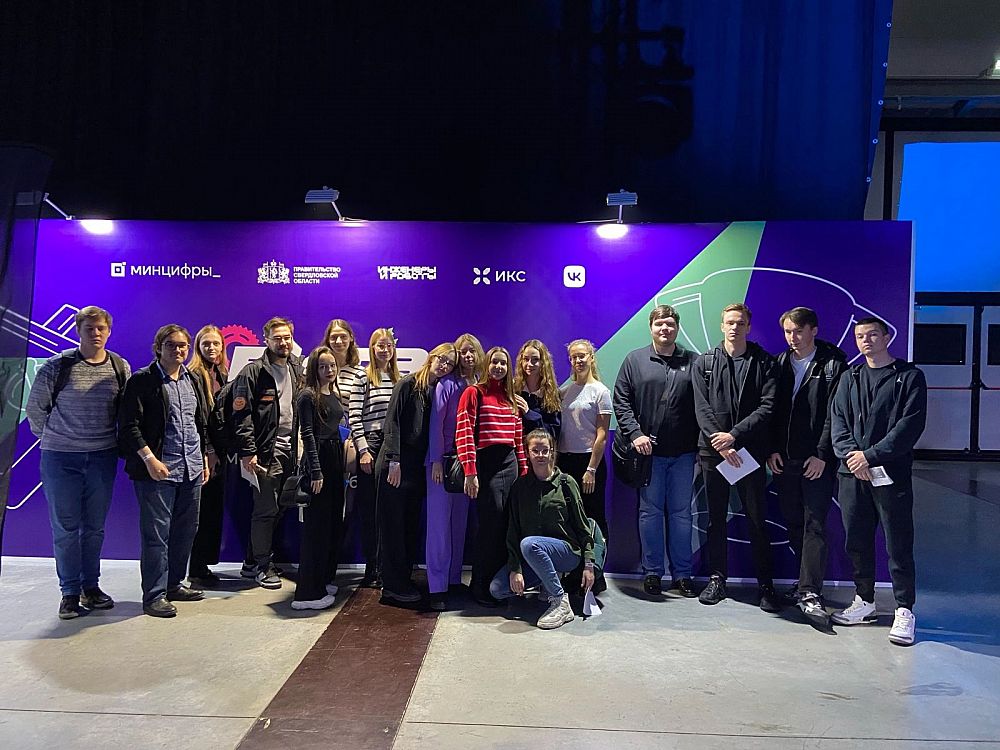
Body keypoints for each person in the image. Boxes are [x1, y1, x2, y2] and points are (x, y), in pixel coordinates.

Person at [26, 305, 131, 619]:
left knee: (94, 528)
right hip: (61, 459)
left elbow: (126, 411)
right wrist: (58, 438)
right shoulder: (57, 366)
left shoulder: (119, 366)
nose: (96, 333)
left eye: (101, 328)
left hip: (102, 457)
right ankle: (70, 593)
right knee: (66, 528)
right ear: (78, 331)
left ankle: (91, 587)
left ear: (108, 331)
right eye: (89, 328)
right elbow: (35, 410)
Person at [830, 317, 927, 646]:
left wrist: (870, 456)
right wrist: (852, 457)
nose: (866, 340)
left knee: (898, 542)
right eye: (860, 336)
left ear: (887, 337)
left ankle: (904, 609)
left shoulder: (909, 377)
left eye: (873, 334)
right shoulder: (849, 377)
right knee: (856, 540)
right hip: (851, 474)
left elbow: (909, 426)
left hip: (890, 474)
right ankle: (864, 601)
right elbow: (838, 422)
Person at [692, 303, 780, 610]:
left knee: (757, 520)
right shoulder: (704, 362)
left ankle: (766, 585)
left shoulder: (764, 363)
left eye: (740, 323)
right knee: (715, 519)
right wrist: (722, 444)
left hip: (749, 452)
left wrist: (734, 436)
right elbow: (701, 407)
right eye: (729, 322)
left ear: (748, 327)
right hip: (713, 453)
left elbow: (768, 406)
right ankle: (717, 579)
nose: (734, 327)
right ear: (722, 326)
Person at [119, 325, 210, 617]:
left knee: (186, 530)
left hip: (191, 468)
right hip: (158, 471)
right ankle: (154, 595)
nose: (178, 350)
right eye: (171, 345)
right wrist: (149, 459)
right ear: (158, 347)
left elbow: (198, 422)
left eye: (183, 345)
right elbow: (129, 426)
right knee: (156, 535)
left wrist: (203, 458)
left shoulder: (192, 379)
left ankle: (174, 585)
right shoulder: (142, 380)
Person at [766, 307, 848, 627]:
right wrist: (772, 449)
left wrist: (822, 454)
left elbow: (835, 414)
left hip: (816, 461)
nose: (793, 337)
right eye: (788, 331)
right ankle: (803, 585)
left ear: (813, 330)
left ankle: (811, 591)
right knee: (794, 523)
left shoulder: (833, 365)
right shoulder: (779, 364)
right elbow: (772, 411)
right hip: (785, 461)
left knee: (814, 524)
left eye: (798, 331)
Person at [612, 305, 700, 598]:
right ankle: (652, 573)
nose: (665, 328)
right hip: (648, 456)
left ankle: (683, 575)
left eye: (670, 324)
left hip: (684, 454)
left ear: (677, 328)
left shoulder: (693, 361)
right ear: (651, 327)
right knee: (649, 513)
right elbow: (621, 400)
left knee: (681, 515)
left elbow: (703, 406)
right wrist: (635, 434)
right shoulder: (634, 360)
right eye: (660, 323)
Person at [489, 429, 596, 630]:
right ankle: (546, 582)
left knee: (530, 544)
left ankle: (560, 601)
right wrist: (515, 569)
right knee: (498, 589)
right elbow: (513, 530)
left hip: (566, 553)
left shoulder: (566, 483)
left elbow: (583, 526)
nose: (540, 455)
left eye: (545, 450)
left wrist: (589, 564)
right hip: (532, 555)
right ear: (527, 453)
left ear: (552, 452)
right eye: (535, 450)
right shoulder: (520, 487)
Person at [376, 343, 458, 605]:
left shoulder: (435, 391)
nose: (444, 365)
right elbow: (392, 422)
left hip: (415, 468)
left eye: (450, 363)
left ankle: (403, 580)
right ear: (432, 357)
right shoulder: (407, 384)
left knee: (408, 526)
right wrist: (394, 460)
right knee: (393, 527)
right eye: (442, 359)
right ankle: (392, 586)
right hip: (396, 465)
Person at [232, 317, 304, 589]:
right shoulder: (253, 372)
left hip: (291, 450)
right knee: (265, 509)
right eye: (277, 338)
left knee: (280, 508)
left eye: (287, 337)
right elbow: (241, 416)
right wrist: (248, 451)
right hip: (264, 453)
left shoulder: (296, 367)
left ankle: (252, 562)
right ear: (266, 340)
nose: (283, 343)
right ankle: (263, 566)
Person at [456, 346, 528, 606]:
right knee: (490, 526)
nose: (498, 367)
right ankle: (480, 586)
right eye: (495, 362)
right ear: (487, 365)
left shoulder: (511, 399)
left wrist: (524, 471)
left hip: (510, 464)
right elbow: (464, 432)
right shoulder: (474, 393)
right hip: (486, 464)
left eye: (503, 363)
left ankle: (498, 587)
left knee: (507, 525)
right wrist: (470, 471)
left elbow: (518, 439)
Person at [426, 333, 484, 610]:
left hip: (468, 464)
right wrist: (436, 460)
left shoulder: (480, 384)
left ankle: (453, 579)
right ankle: (437, 587)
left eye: (473, 351)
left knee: (459, 524)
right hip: (443, 463)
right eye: (464, 351)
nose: (468, 356)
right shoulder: (446, 384)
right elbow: (436, 424)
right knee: (439, 526)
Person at [292, 346, 346, 610]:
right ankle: (307, 594)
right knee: (316, 528)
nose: (329, 370)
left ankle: (323, 579)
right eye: (323, 366)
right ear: (314, 368)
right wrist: (316, 471)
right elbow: (308, 435)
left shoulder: (332, 393)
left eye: (332, 365)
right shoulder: (307, 396)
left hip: (335, 461)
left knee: (332, 524)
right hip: (320, 462)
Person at [348, 327, 401, 587]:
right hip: (371, 443)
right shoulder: (363, 377)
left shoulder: (399, 379)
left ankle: (386, 567)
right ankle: (372, 569)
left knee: (388, 510)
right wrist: (363, 450)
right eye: (380, 345)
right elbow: (354, 416)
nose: (385, 350)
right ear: (372, 348)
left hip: (391, 446)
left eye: (389, 345)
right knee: (370, 511)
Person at [557, 339, 611, 595]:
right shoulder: (564, 392)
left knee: (593, 519)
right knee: (569, 519)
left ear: (591, 357)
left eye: (582, 356)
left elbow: (602, 434)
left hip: (589, 463)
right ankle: (575, 574)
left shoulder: (600, 391)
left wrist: (591, 469)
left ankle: (596, 575)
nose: (578, 360)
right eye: (573, 357)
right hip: (565, 461)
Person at [186, 325, 230, 584]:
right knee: (199, 514)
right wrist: (208, 451)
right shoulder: (193, 375)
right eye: (206, 344)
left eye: (216, 343)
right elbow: (198, 419)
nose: (211, 348)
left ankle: (202, 566)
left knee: (212, 511)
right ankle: (195, 567)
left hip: (220, 454)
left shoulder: (222, 373)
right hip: (202, 454)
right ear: (198, 347)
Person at [513, 339, 561, 438]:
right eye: (526, 359)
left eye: (535, 359)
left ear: (543, 362)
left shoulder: (552, 394)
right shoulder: (513, 389)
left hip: (539, 447)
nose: (530, 364)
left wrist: (529, 413)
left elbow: (553, 433)